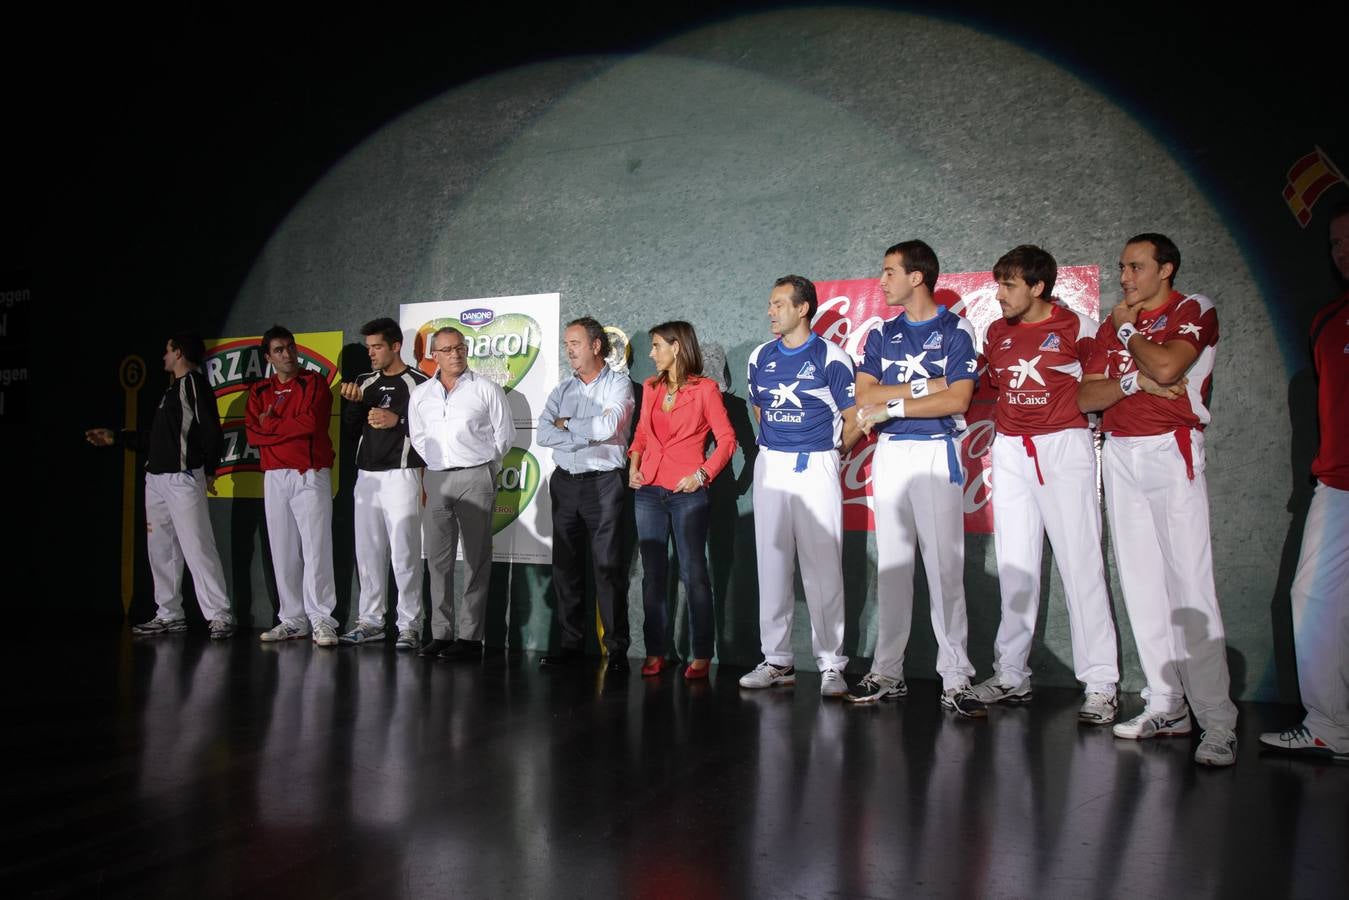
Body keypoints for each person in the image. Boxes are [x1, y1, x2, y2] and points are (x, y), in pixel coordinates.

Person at [1079, 233, 1239, 766]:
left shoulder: (1194, 307)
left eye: (1136, 267)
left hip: (1172, 451)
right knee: (1142, 583)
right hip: (1119, 453)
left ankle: (1218, 720)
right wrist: (1135, 382)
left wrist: (1130, 336)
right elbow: (1087, 396)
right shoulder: (1111, 324)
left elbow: (1170, 368)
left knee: (1190, 585)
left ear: (1166, 269)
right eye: (1122, 267)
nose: (1125, 277)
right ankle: (1167, 704)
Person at [968, 246, 1121, 723]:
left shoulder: (1078, 328)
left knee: (1081, 563)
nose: (999, 295)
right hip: (1011, 448)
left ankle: (1100, 683)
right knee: (1015, 565)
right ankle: (1011, 674)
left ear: (1038, 286)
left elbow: (1101, 384)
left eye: (1009, 285)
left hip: (1065, 447)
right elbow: (987, 383)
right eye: (997, 284)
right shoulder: (996, 331)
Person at [848, 242, 986, 717]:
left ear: (917, 277)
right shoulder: (882, 333)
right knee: (892, 566)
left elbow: (960, 399)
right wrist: (927, 386)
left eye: (889, 272)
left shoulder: (955, 328)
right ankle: (888, 672)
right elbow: (865, 394)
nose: (881, 281)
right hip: (890, 454)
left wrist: (894, 404)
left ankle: (956, 678)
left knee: (945, 569)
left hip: (934, 453)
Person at [738, 275, 860, 697]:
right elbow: (760, 408)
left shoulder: (832, 356)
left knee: (822, 567)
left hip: (816, 465)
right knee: (771, 564)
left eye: (778, 304)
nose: (770, 312)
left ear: (803, 308)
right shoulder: (760, 356)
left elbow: (854, 414)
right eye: (770, 305)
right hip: (771, 465)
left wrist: (830, 449)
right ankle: (777, 661)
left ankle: (831, 664)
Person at [1260, 203, 1349, 762]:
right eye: (1336, 244)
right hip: (1336, 485)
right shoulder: (1327, 320)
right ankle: (1331, 725)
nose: (1342, 253)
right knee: (1311, 597)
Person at [86, 332, 234, 639]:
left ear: (178, 353)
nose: (163, 357)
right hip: (155, 479)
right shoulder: (171, 391)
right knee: (161, 548)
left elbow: (211, 430)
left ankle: (220, 615)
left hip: (182, 479)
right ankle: (169, 614)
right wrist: (118, 437)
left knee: (197, 546)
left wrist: (210, 469)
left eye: (167, 351)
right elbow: (158, 440)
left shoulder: (193, 383)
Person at [628, 320, 736, 679]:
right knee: (653, 576)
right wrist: (634, 465)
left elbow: (726, 440)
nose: (650, 353)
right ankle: (656, 650)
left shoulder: (705, 389)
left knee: (694, 574)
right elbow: (642, 433)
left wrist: (702, 475)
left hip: (688, 491)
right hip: (648, 490)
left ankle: (702, 653)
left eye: (657, 345)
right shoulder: (650, 386)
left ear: (677, 347)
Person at [408, 326, 516, 662]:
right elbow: (419, 438)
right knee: (438, 562)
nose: (456, 354)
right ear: (435, 355)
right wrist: (440, 463)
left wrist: (484, 467)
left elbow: (504, 436)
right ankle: (440, 633)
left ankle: (470, 638)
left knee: (476, 559)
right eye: (448, 349)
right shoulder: (421, 394)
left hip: (476, 476)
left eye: (461, 347)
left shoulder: (486, 389)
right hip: (437, 478)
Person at [536, 317, 635, 672]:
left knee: (607, 568)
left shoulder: (619, 386)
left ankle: (616, 649)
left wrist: (568, 425)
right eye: (566, 344)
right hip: (565, 483)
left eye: (574, 343)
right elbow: (543, 435)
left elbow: (610, 427)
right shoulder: (563, 390)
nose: (569, 351)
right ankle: (571, 645)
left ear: (596, 346)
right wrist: (584, 433)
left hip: (604, 484)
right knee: (566, 568)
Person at [246, 325, 341, 646]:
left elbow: (311, 424)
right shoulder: (259, 391)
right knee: (283, 549)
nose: (287, 354)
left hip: (309, 472)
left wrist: (271, 424)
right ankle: (293, 619)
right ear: (268, 357)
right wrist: (278, 428)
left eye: (290, 347)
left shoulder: (314, 382)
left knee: (316, 549)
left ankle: (322, 619)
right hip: (274, 475)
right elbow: (252, 435)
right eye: (279, 350)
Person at [338, 318, 430, 650]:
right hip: (366, 478)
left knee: (404, 554)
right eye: (368, 348)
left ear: (395, 346)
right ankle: (370, 622)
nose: (372, 353)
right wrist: (352, 405)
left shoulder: (420, 382)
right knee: (367, 553)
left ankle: (409, 625)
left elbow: (432, 431)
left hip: (402, 475)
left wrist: (398, 420)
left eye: (377, 347)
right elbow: (350, 433)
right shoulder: (363, 381)